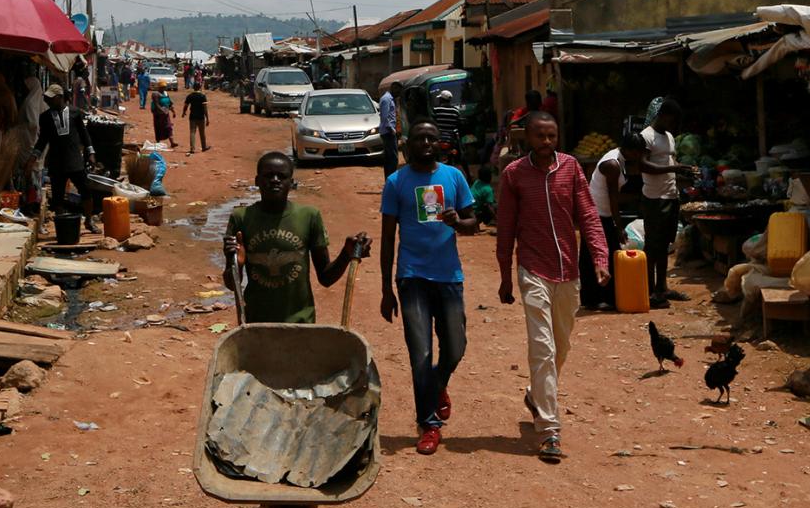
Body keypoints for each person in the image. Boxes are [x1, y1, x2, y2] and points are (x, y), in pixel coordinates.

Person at [496, 111, 609, 463]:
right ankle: (549, 430)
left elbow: (589, 215)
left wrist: (601, 258)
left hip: (568, 271)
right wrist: (504, 275)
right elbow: (506, 228)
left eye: (551, 136)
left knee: (561, 345)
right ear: (526, 138)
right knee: (542, 348)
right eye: (539, 136)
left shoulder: (571, 168)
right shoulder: (514, 175)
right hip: (533, 269)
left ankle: (535, 394)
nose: (546, 142)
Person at [380, 121, 479, 455]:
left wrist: (457, 222)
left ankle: (437, 386)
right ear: (407, 144)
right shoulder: (396, 182)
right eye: (419, 138)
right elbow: (387, 237)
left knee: (456, 347)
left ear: (440, 144)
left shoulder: (454, 177)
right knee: (420, 353)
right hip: (412, 278)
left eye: (431, 138)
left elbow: (474, 224)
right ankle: (429, 424)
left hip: (449, 276)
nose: (425, 143)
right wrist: (385, 288)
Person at [222, 152, 370, 323]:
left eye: (282, 176)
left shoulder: (309, 216)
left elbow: (326, 278)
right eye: (268, 175)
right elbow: (232, 284)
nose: (275, 180)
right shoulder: (241, 218)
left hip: (300, 322)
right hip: (256, 321)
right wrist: (236, 265)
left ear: (291, 183)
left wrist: (346, 254)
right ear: (257, 181)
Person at [579, 133, 648, 310]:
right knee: (603, 255)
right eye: (638, 152)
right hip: (597, 214)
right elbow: (613, 199)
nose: (639, 156)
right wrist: (619, 226)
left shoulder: (619, 159)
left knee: (598, 254)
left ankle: (596, 297)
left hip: (601, 212)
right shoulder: (612, 164)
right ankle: (599, 298)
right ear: (630, 150)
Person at [640, 99, 696, 309]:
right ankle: (647, 290)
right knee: (652, 246)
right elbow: (643, 165)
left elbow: (668, 163)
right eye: (671, 120)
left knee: (663, 245)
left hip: (670, 196)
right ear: (662, 115)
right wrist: (673, 170)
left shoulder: (669, 137)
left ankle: (661, 287)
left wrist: (683, 168)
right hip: (654, 198)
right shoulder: (647, 136)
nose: (673, 125)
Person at [33, 84, 98, 234]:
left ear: (60, 98)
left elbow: (84, 135)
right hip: (56, 162)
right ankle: (62, 228)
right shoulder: (45, 117)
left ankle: (89, 220)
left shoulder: (75, 113)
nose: (48, 101)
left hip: (75, 160)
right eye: (47, 99)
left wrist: (91, 153)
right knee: (58, 197)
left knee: (86, 191)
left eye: (51, 98)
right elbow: (42, 140)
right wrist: (33, 157)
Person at [379, 81, 402, 180]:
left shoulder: (390, 99)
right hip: (388, 132)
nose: (399, 93)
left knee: (389, 158)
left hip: (389, 132)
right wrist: (392, 130)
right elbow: (385, 117)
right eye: (399, 91)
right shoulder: (386, 99)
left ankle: (389, 180)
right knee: (393, 158)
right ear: (394, 88)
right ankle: (392, 180)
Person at [181, 81, 210, 154]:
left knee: (192, 132)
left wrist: (184, 112)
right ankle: (204, 147)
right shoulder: (202, 96)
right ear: (200, 87)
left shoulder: (190, 96)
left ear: (193, 87)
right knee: (202, 132)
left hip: (192, 116)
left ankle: (192, 149)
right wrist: (207, 118)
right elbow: (205, 108)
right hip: (201, 116)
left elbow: (186, 106)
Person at [151, 82, 177, 148]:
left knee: (168, 127)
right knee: (158, 127)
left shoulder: (165, 93)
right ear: (159, 87)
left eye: (164, 87)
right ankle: (158, 142)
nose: (164, 88)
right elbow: (156, 104)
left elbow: (169, 103)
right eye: (162, 87)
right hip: (158, 114)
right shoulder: (155, 94)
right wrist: (162, 111)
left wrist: (173, 111)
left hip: (165, 114)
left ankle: (172, 142)